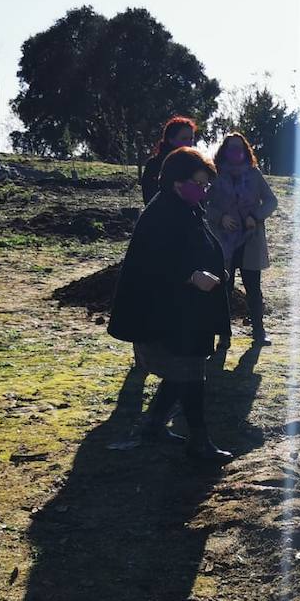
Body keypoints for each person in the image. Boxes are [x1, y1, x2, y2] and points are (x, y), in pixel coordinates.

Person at [110, 146, 233, 462]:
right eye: (199, 183)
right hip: (168, 314)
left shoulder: (186, 208)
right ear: (177, 181)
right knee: (190, 373)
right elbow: (153, 263)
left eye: (207, 185)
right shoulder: (161, 212)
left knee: (186, 370)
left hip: (187, 311)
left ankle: (153, 424)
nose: (203, 190)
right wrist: (191, 275)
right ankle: (199, 441)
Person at [206, 132, 278, 347]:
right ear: (224, 151)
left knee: (253, 289)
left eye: (239, 148)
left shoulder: (254, 174)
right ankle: (223, 335)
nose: (235, 152)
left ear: (246, 150)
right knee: (223, 288)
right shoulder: (215, 173)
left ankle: (258, 332)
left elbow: (271, 201)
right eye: (231, 148)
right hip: (223, 241)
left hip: (250, 240)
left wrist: (255, 217)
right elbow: (204, 203)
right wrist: (221, 217)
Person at [140, 115, 197, 205]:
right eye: (184, 139)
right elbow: (149, 197)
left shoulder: (194, 165)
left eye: (191, 139)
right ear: (171, 139)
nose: (189, 143)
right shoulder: (154, 165)